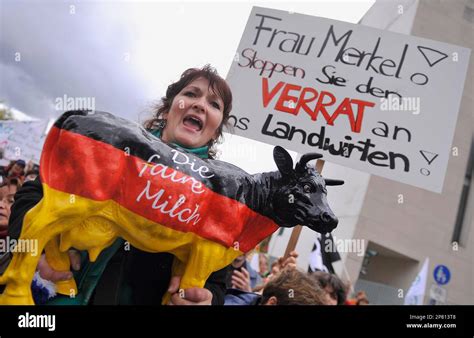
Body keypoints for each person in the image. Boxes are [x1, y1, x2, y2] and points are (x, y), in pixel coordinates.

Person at [2, 65, 234, 305]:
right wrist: (37, 251)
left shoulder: (217, 195)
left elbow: (217, 283)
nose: (200, 104)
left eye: (214, 104)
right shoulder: (113, 146)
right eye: (191, 94)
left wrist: (207, 300)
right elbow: (33, 195)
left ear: (215, 132)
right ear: (168, 109)